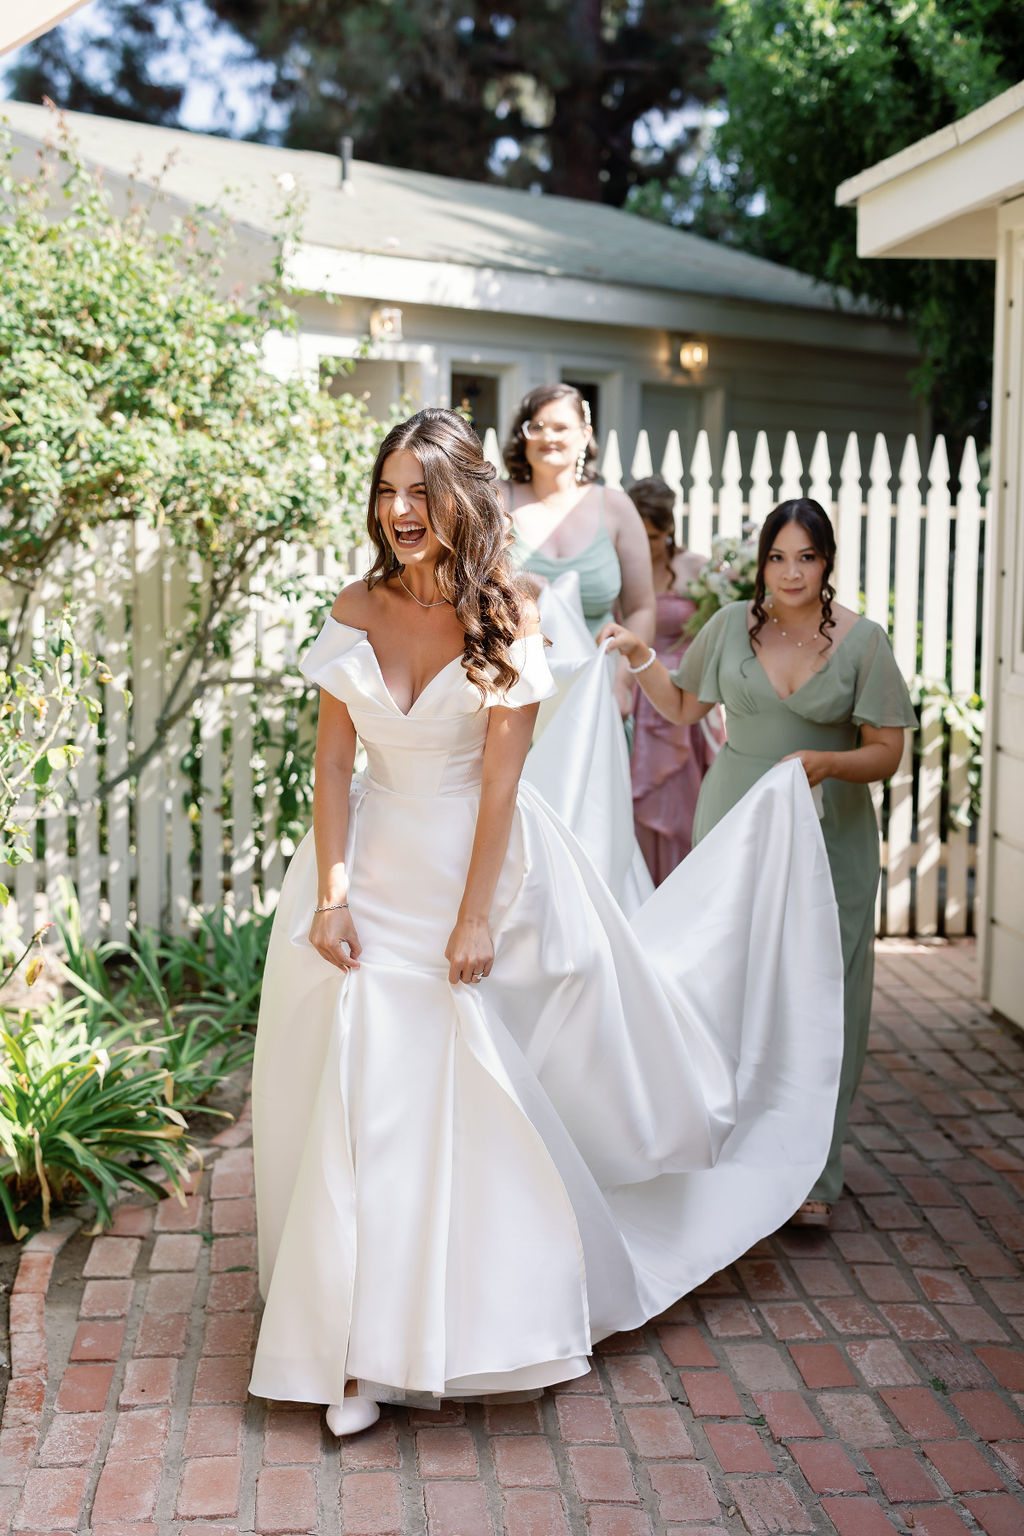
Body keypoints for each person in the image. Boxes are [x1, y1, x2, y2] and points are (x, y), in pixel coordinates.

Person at [249, 415, 845, 1436]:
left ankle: (440, 1328)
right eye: (387, 488)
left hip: (465, 872)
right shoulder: (355, 607)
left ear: (460, 500)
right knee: (352, 1092)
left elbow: (498, 782)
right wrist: (333, 895)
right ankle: (349, 1350)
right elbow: (335, 766)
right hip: (361, 879)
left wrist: (475, 914)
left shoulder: (509, 611)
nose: (399, 509)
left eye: (419, 489)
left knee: (436, 1098)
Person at [601, 498, 916, 1226]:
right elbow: (682, 708)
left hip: (828, 833)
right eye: (779, 556)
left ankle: (816, 1175)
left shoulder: (863, 642)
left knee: (824, 996)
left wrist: (830, 763)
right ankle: (732, 1147)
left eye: (806, 557)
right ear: (761, 562)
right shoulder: (727, 627)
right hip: (735, 824)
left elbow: (887, 751)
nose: (791, 571)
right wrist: (640, 655)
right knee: (731, 985)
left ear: (827, 562)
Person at [502, 383, 656, 651]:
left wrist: (623, 680)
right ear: (523, 435)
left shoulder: (616, 507)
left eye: (560, 428)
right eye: (536, 427)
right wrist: (513, 581)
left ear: (585, 435)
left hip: (598, 676)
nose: (547, 437)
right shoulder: (497, 500)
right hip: (512, 674)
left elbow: (641, 607)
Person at [626, 476, 724, 883]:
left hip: (686, 694)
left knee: (688, 804)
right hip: (638, 695)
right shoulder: (623, 569)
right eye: (638, 535)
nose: (645, 545)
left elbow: (718, 629)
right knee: (638, 806)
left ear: (668, 530)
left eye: (652, 536)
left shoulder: (696, 569)